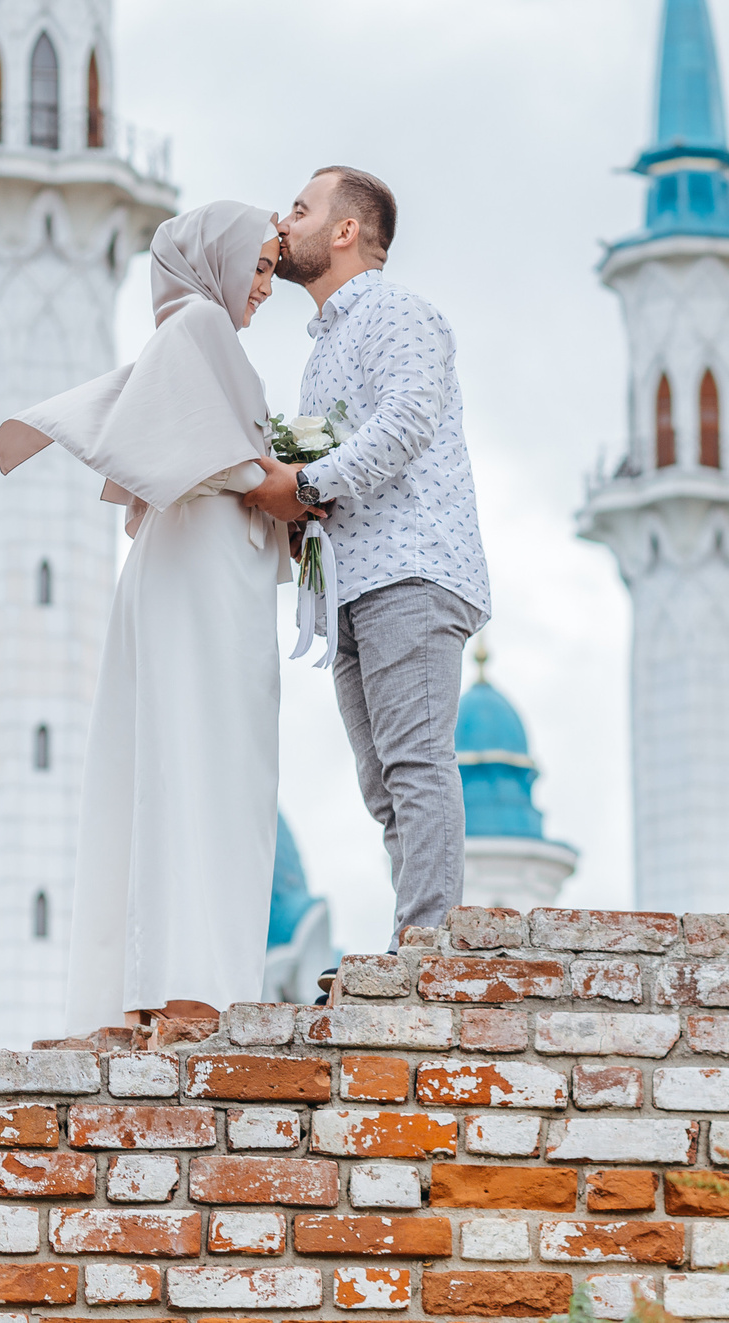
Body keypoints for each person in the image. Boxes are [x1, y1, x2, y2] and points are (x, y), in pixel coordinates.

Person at [0, 201, 291, 1039]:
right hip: (201, 578)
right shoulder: (199, 327)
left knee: (166, 758)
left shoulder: (187, 335)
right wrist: (291, 482)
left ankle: (144, 990)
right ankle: (192, 988)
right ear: (214, 260)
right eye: (259, 266)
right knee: (205, 761)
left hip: (192, 567)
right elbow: (215, 461)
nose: (265, 286)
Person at [240, 165, 489, 951]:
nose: (285, 221)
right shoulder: (328, 345)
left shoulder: (397, 312)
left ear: (346, 231)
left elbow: (407, 420)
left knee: (414, 764)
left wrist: (306, 481)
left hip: (410, 568)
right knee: (384, 783)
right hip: (355, 580)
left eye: (302, 209)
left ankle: (428, 944)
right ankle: (416, 938)